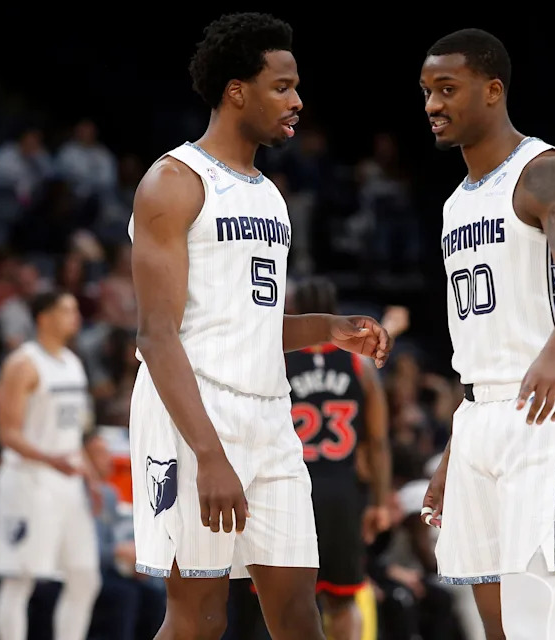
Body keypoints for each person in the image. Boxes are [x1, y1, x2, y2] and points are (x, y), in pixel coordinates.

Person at [127, 12, 392, 640]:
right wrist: (209, 454)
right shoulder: (174, 182)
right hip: (193, 412)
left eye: (296, 86)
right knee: (198, 619)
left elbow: (246, 323)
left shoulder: (270, 195)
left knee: (300, 611)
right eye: (282, 86)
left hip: (270, 414)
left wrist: (327, 327)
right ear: (236, 91)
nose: (297, 101)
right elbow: (157, 335)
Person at [417, 29, 555, 640]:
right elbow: (485, 342)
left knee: (533, 626)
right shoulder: (455, 204)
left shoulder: (545, 171)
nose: (433, 104)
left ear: (493, 90)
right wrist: (454, 452)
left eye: (447, 89)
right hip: (479, 418)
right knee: (496, 630)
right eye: (427, 91)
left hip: (550, 407)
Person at [285, 276, 392, 640]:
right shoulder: (358, 364)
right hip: (342, 492)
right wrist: (379, 501)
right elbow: (377, 442)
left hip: (292, 489)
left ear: (295, 310)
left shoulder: (279, 360)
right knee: (342, 602)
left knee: (284, 602)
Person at [0, 290, 101, 640]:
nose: (75, 316)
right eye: (66, 310)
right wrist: (52, 460)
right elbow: (8, 433)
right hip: (29, 479)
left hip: (68, 480)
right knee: (19, 578)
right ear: (43, 317)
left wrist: (91, 476)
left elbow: (73, 433)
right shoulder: (23, 364)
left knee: (85, 576)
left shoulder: (73, 363)